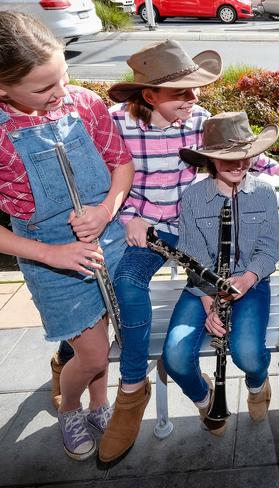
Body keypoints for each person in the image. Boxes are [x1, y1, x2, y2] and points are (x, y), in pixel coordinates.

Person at [98, 40, 279, 464]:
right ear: (149, 95)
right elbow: (106, 178)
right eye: (182, 91)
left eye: (194, 89)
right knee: (126, 285)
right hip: (151, 231)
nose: (194, 98)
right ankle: (132, 390)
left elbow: (241, 156)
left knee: (244, 349)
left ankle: (252, 380)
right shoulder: (116, 125)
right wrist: (129, 214)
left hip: (194, 232)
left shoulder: (201, 121)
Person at [0, 12, 133, 460]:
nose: (60, 95)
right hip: (48, 256)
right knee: (93, 355)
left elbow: (122, 165)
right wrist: (50, 254)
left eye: (63, 77)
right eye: (43, 89)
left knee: (113, 333)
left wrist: (105, 210)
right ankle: (71, 406)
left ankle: (100, 404)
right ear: (2, 87)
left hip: (107, 240)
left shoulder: (83, 103)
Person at [162, 111, 279, 435]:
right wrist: (209, 298)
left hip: (250, 284)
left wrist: (248, 278)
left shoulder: (264, 194)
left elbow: (270, 249)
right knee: (174, 355)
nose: (238, 165)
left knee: (248, 355)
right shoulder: (194, 197)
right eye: (228, 159)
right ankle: (206, 400)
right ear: (211, 160)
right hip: (203, 287)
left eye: (244, 157)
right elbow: (191, 254)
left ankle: (258, 385)